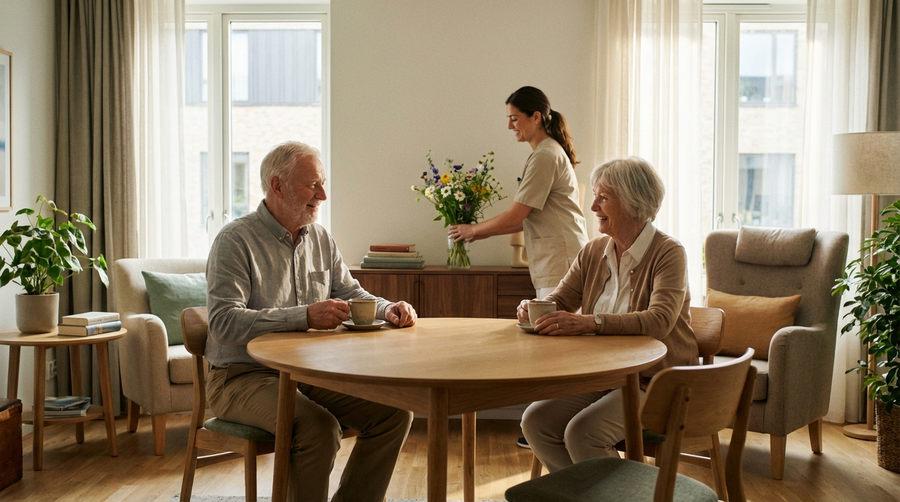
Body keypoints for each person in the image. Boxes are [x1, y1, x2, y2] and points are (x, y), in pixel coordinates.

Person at [205, 141, 417, 502]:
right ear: (277, 186)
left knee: (394, 414)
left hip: (306, 373)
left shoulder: (320, 237)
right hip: (240, 377)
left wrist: (387, 309)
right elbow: (224, 322)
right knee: (317, 428)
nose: (323, 194)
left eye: (322, 183)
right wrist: (304, 316)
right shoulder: (235, 240)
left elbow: (350, 293)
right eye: (312, 185)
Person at [517, 156, 698, 472]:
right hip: (603, 373)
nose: (593, 207)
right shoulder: (593, 251)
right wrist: (534, 310)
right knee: (535, 421)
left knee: (583, 433)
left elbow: (659, 320)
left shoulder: (669, 253)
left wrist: (590, 322)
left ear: (633, 203)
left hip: (654, 381)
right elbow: (561, 300)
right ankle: (580, 497)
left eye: (603, 198)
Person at [448, 86, 589, 299]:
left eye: (514, 118)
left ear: (536, 117)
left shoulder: (545, 156)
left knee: (555, 328)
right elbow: (528, 219)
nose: (509, 126)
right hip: (557, 262)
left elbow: (516, 215)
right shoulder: (546, 152)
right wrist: (482, 232)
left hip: (561, 262)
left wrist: (473, 230)